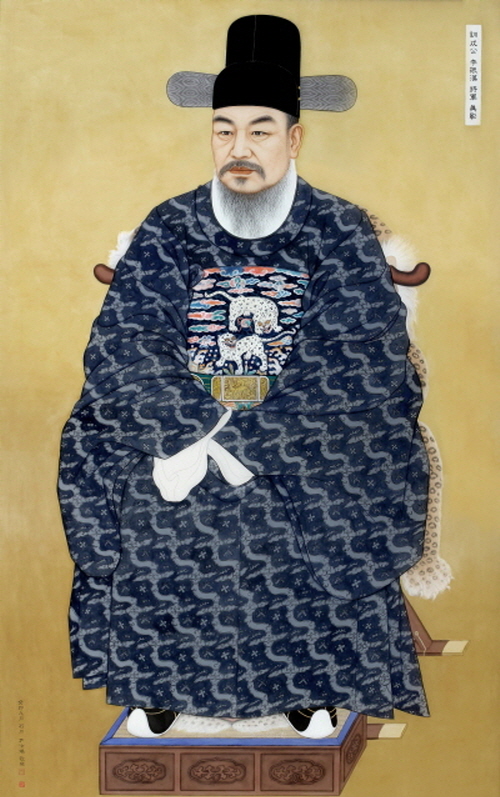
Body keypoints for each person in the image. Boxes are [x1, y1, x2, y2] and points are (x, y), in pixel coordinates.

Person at [58, 15, 429, 740]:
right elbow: (126, 341)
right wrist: (188, 432)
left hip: (304, 437)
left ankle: (310, 688)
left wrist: (244, 442)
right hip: (181, 430)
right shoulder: (170, 226)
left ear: (294, 138)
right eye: (224, 130)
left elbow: (359, 357)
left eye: (260, 130)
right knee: (142, 487)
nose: (239, 149)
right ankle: (158, 686)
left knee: (314, 494)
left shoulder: (337, 229)